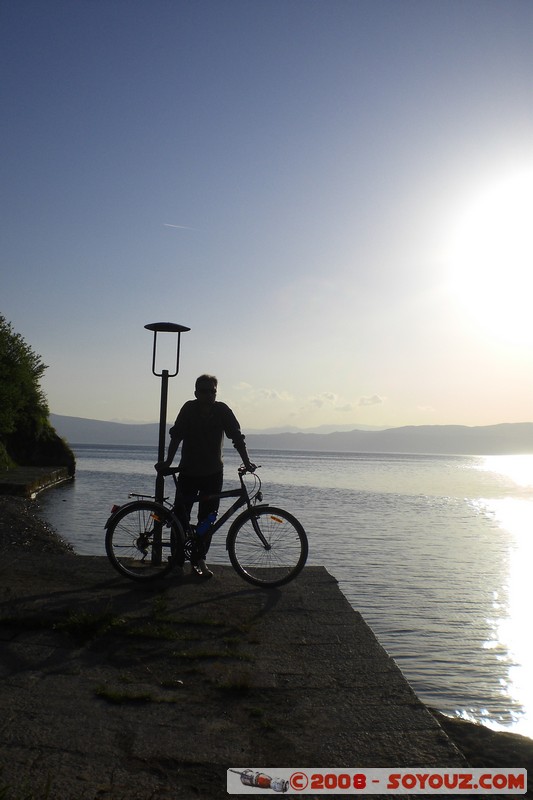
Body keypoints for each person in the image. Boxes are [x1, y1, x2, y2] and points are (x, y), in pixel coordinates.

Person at [155, 374, 255, 578]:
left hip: (213, 473)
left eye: (212, 391)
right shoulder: (188, 409)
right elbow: (177, 436)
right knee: (180, 518)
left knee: (207, 519)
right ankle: (177, 562)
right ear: (196, 393)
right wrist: (168, 461)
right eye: (204, 391)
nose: (209, 395)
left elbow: (237, 437)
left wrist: (247, 462)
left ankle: (199, 560)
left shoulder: (222, 411)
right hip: (188, 471)